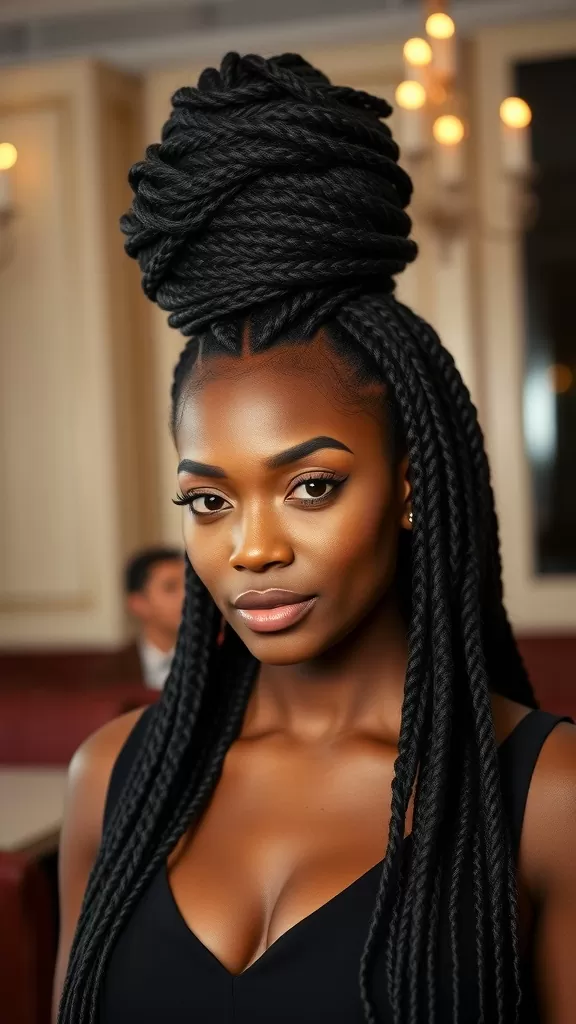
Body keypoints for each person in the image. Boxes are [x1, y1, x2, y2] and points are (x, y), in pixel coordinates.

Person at [53, 53, 576, 1024]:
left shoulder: (549, 799)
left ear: (413, 484)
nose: (251, 549)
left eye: (311, 485)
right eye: (209, 501)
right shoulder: (112, 777)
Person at [121, 547, 185, 690]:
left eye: (191, 586)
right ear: (138, 603)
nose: (187, 597)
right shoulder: (112, 671)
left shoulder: (219, 663)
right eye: (171, 587)